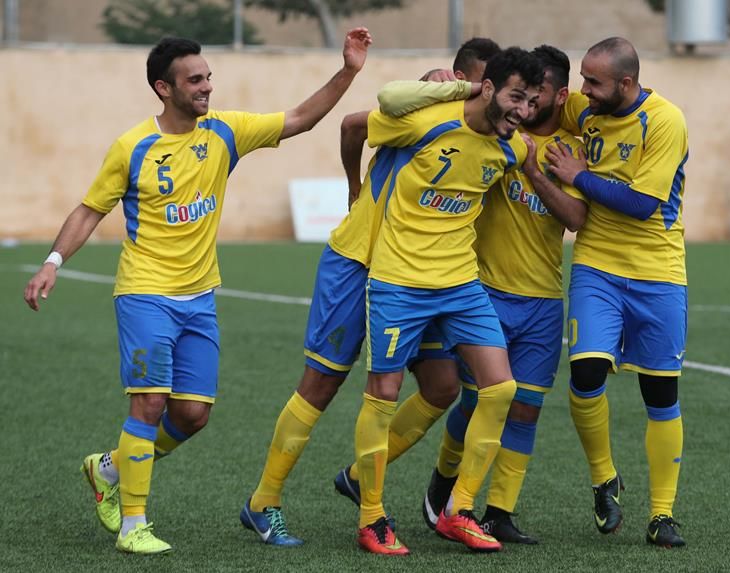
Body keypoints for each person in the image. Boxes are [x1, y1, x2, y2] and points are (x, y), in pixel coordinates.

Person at [23, 29, 372, 555]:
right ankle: (133, 525)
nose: (207, 86)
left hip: (200, 298)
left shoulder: (224, 132)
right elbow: (91, 209)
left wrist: (348, 71)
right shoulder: (133, 147)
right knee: (149, 403)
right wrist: (53, 262)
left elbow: (300, 119)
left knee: (191, 416)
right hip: (144, 292)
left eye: (208, 76)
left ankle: (109, 469)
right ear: (164, 88)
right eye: (195, 80)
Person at [240, 37, 500, 548]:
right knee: (322, 383)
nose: (489, 95)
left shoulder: (489, 132)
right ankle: (263, 501)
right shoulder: (424, 108)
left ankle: (360, 477)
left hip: (420, 276)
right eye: (483, 83)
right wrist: (353, 184)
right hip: (358, 261)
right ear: (462, 79)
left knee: (442, 386)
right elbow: (351, 125)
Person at [334, 45, 589, 546]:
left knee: (500, 388)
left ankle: (460, 509)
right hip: (399, 280)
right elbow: (363, 117)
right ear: (487, 88)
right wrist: (355, 187)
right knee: (383, 393)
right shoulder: (426, 122)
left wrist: (560, 172)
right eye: (515, 97)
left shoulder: (514, 149)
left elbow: (559, 205)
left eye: (532, 101)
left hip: (460, 285)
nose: (523, 111)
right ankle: (371, 518)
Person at [544, 37, 689, 548]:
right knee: (585, 373)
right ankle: (604, 478)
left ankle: (662, 514)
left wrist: (578, 176)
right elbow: (538, 103)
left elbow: (643, 204)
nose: (582, 91)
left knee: (660, 393)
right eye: (582, 79)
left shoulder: (665, 121)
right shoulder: (588, 108)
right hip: (597, 266)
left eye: (593, 82)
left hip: (658, 272)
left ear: (625, 83)